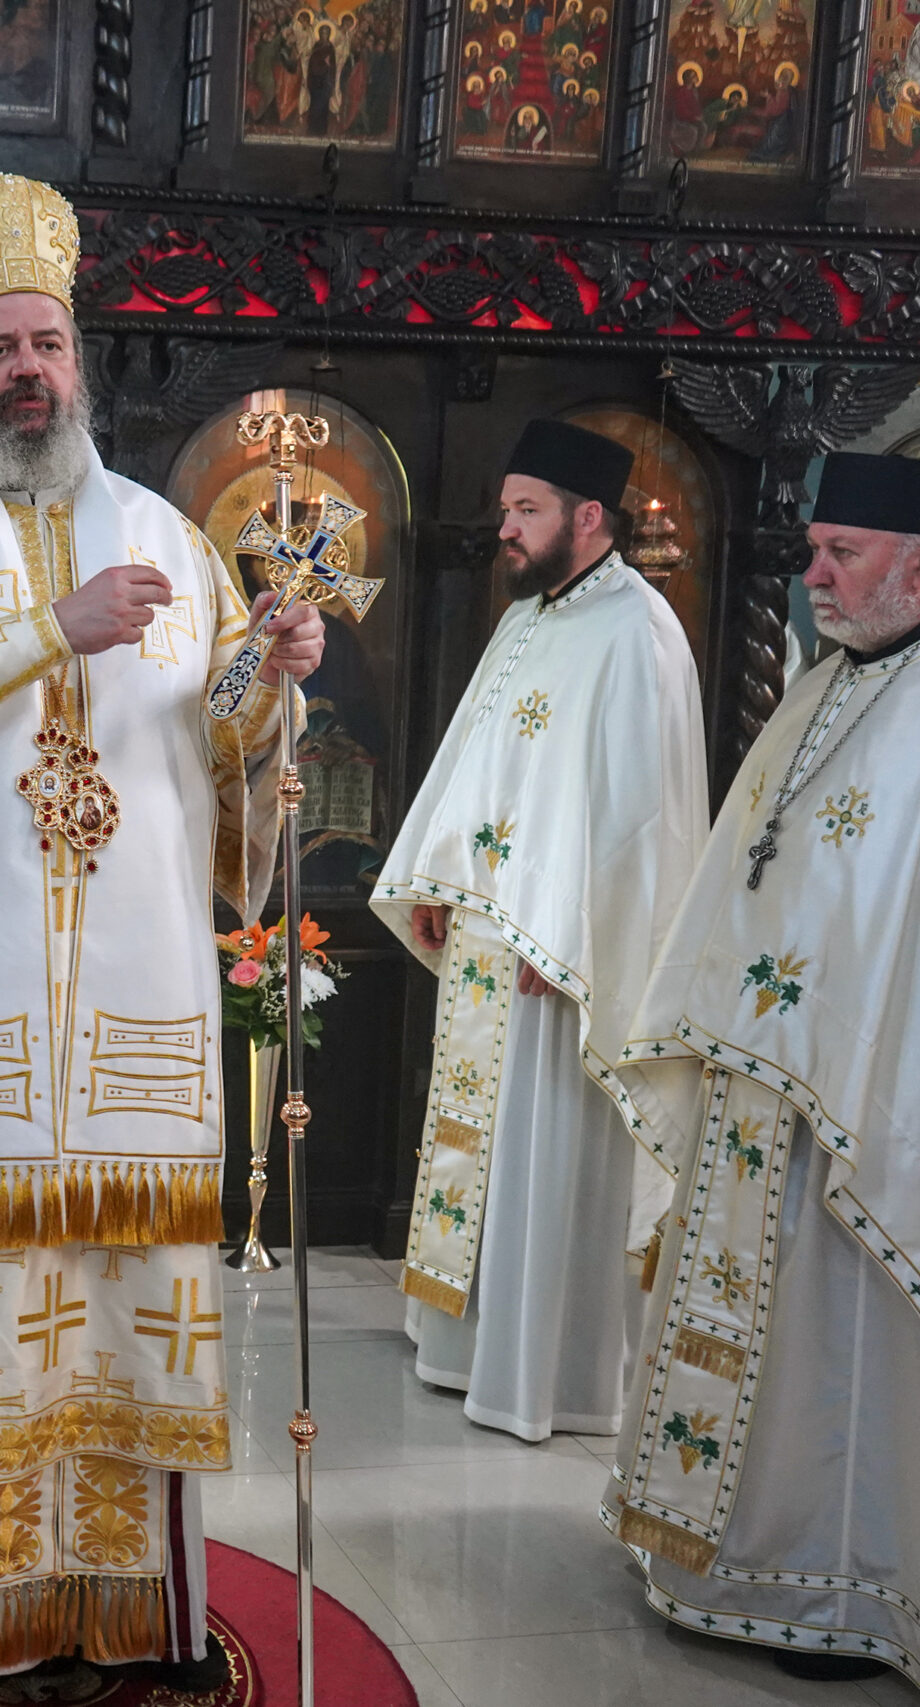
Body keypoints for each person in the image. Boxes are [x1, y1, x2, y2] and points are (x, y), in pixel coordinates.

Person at [0, 173, 326, 1696]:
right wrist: (51, 629)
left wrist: (272, 675)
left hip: (135, 1013)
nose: (28, 370)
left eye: (47, 342)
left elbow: (219, 744)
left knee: (123, 1310)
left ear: (79, 359)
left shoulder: (167, 534)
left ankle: (133, 1612)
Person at [602, 452, 920, 1698]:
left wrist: (858, 1066)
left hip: (880, 1111)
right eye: (813, 550)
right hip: (763, 1080)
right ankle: (719, 1562)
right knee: (760, 1344)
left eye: (843, 554)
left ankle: (846, 1595)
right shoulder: (829, 679)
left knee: (851, 1361)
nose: (813, 576)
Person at [373, 419, 705, 1442]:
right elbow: (478, 762)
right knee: (479, 1152)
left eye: (526, 510)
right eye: (507, 508)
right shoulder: (527, 618)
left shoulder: (638, 631)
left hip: (559, 958)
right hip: (488, 938)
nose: (505, 528)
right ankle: (464, 1347)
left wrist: (571, 940)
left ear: (587, 515)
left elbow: (640, 814)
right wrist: (439, 877)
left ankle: (547, 1373)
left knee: (543, 1158)